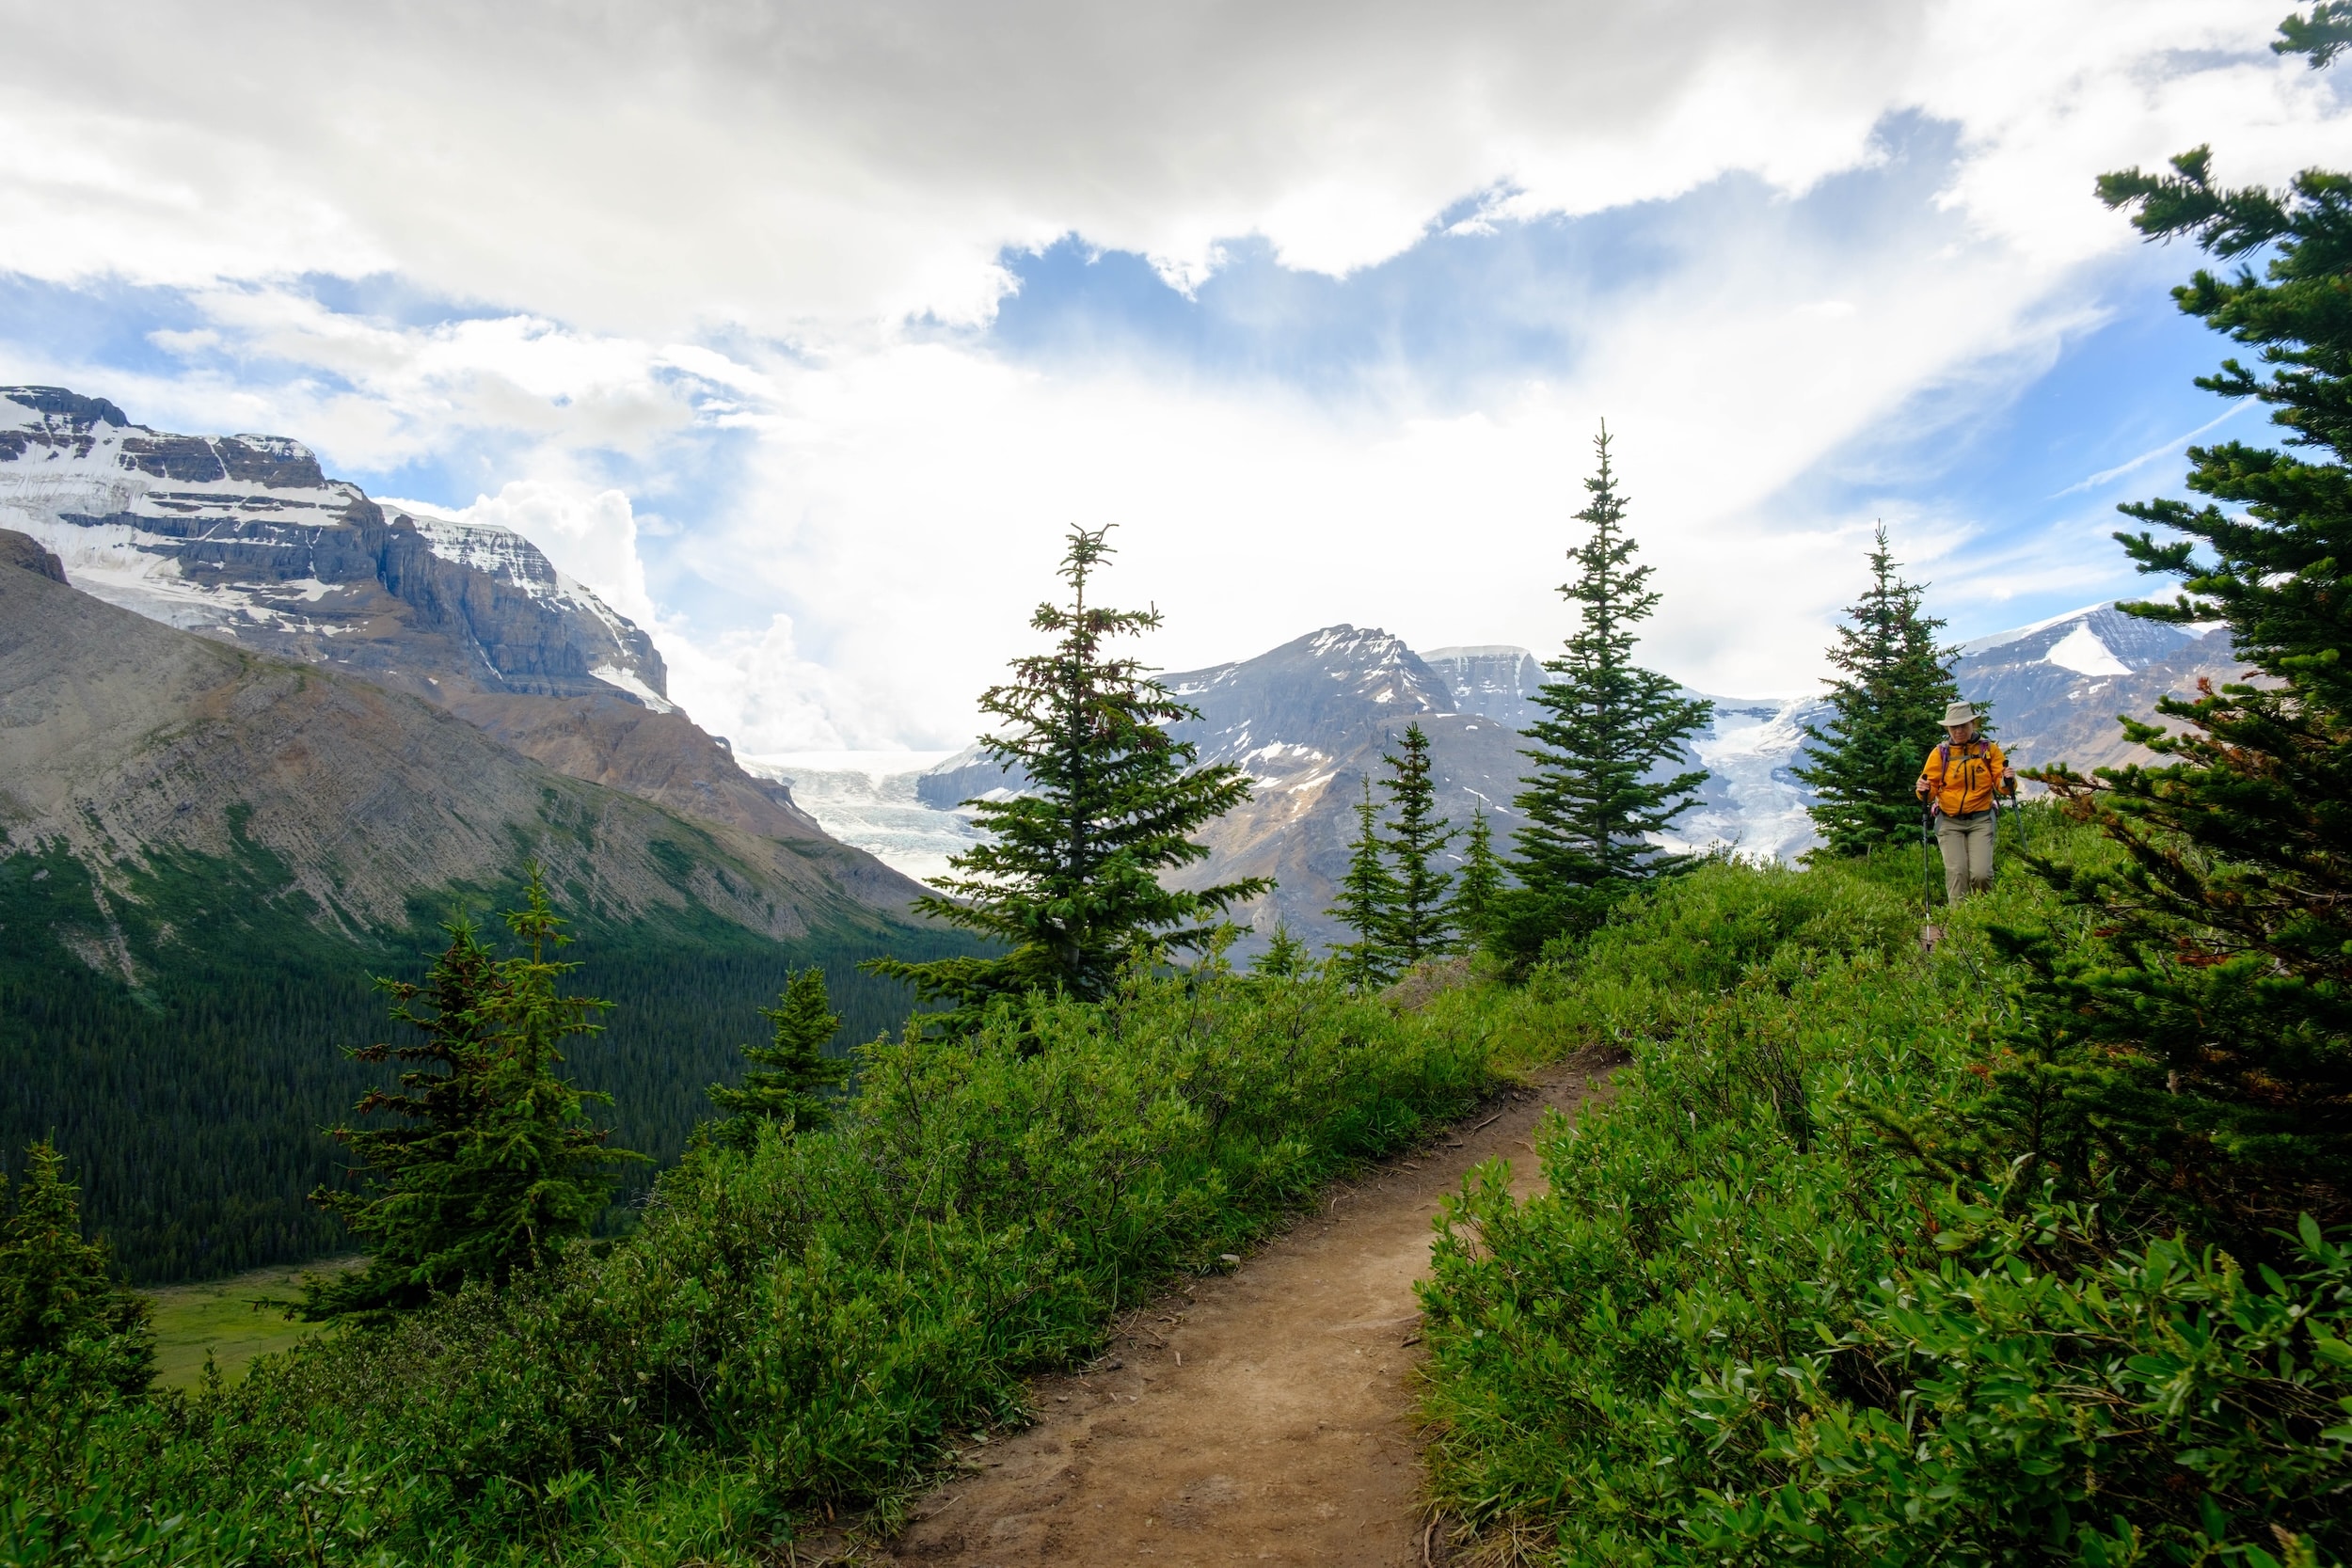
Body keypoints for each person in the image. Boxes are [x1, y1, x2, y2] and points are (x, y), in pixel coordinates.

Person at [1915, 701, 2012, 906]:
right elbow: (1929, 790)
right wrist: (1923, 789)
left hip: (1981, 819)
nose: (1958, 731)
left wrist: (2007, 780)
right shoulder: (1940, 753)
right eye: (1953, 727)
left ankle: (1983, 919)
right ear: (1948, 728)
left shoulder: (1989, 750)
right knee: (1957, 873)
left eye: (1963, 726)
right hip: (1949, 821)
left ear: (1973, 725)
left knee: (1981, 874)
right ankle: (1960, 927)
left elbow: (2002, 784)